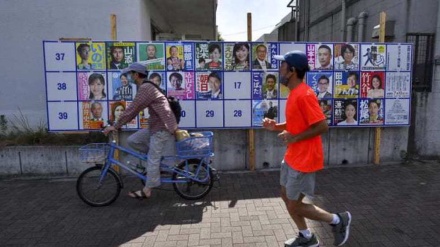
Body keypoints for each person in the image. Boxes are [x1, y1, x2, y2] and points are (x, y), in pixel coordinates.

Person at [263, 50, 351, 247]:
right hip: (293, 156)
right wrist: (275, 126)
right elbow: (296, 124)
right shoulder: (294, 93)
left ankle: (338, 220)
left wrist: (293, 137)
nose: (279, 70)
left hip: (305, 160)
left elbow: (322, 126)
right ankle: (306, 236)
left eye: (282, 66)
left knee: (294, 204)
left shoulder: (305, 94)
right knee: (286, 197)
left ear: (292, 71)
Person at [103, 63, 178, 199]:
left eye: (130, 74)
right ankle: (155, 163)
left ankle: (147, 190)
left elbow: (133, 109)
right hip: (155, 125)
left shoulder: (145, 88)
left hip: (162, 127)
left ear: (136, 75)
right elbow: (134, 109)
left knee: (152, 159)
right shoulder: (146, 86)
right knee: (133, 140)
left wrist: (116, 125)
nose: (129, 77)